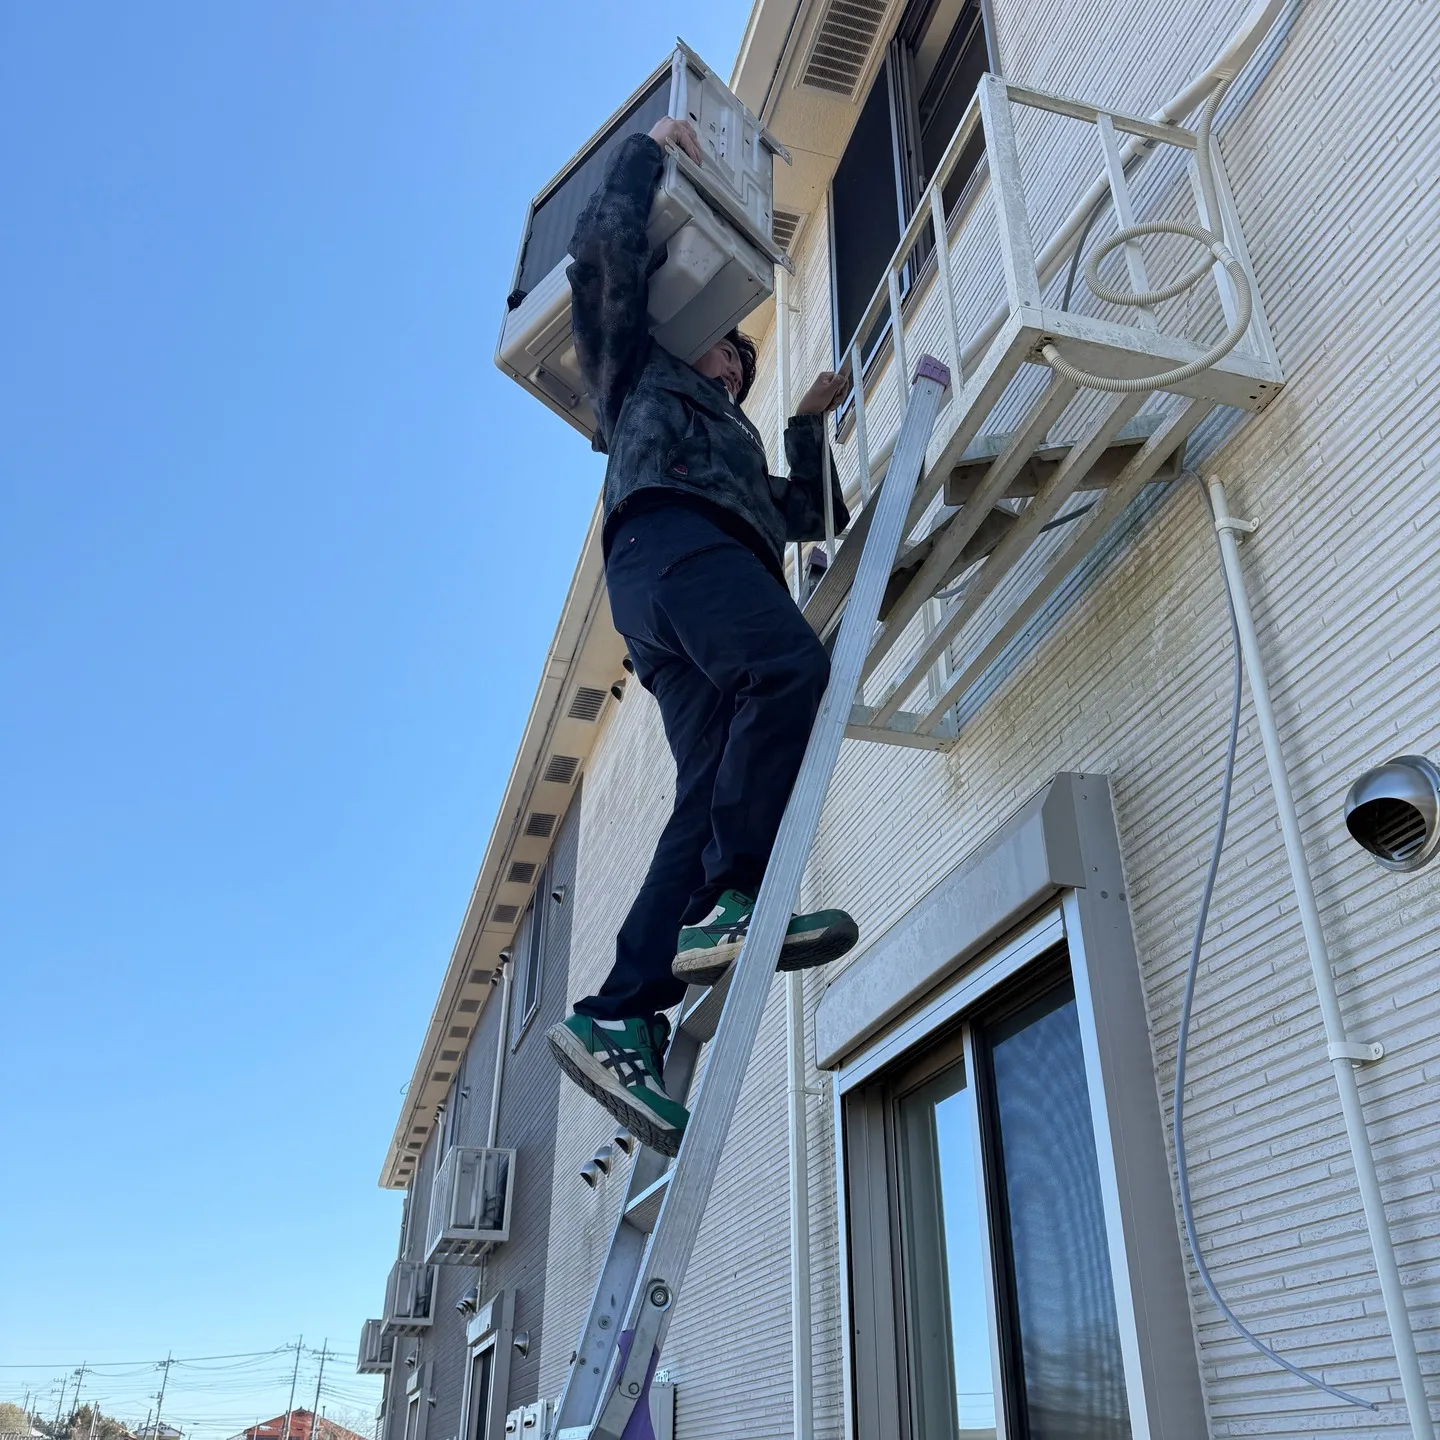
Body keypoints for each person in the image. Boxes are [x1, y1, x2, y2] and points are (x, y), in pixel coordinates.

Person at [546, 116, 860, 1156]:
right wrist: (652, 154)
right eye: (727, 338)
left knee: (702, 790)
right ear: (694, 334)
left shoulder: (738, 444)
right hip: (668, 549)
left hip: (685, 588)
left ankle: (623, 1010)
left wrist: (811, 421)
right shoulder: (636, 372)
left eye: (745, 358)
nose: (736, 356)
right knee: (788, 669)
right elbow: (604, 258)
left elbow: (807, 513)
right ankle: (732, 898)